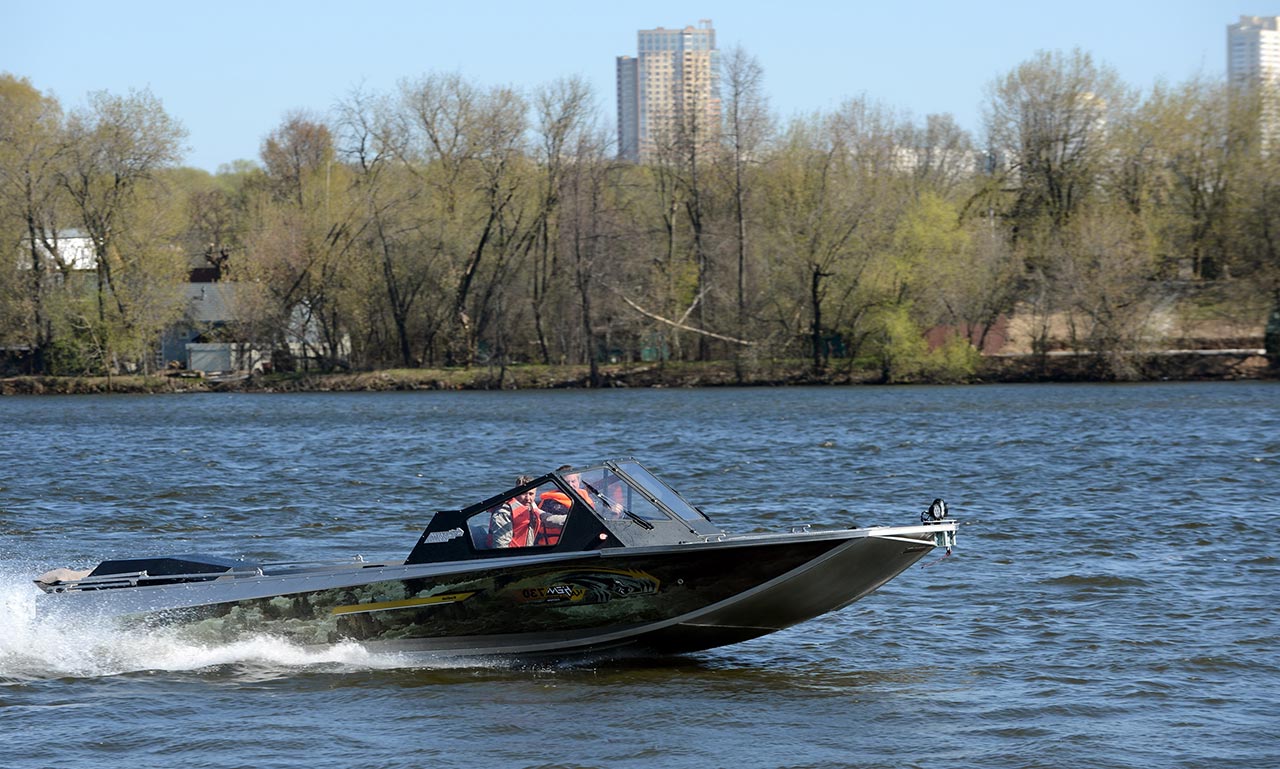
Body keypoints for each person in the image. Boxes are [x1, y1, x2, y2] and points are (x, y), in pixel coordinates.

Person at [488, 476, 540, 548]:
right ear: (516, 492)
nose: (528, 498)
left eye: (531, 494)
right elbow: (500, 546)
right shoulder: (504, 513)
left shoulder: (531, 507)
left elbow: (545, 517)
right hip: (513, 556)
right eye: (523, 493)